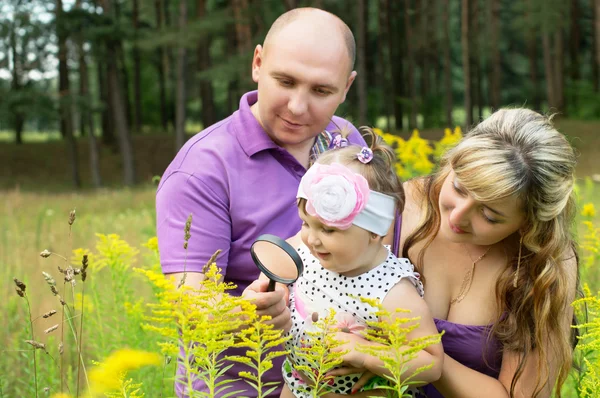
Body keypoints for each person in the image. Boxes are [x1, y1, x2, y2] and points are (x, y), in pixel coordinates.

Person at [155, 7, 365, 398]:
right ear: (257, 63)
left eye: (321, 91)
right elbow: (189, 307)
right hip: (243, 387)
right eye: (285, 81)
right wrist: (244, 313)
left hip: (340, 381)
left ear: (347, 87)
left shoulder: (348, 142)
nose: (298, 107)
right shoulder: (202, 169)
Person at [371, 108, 578, 398]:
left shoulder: (545, 265)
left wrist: (426, 359)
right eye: (458, 187)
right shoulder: (402, 208)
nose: (457, 216)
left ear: (528, 224)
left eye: (490, 215)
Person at [269, 132, 443, 397]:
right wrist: (268, 288)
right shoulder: (309, 251)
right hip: (296, 386)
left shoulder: (392, 292)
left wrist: (367, 354)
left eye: (328, 230)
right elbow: (276, 260)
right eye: (306, 223)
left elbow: (431, 364)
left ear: (374, 232)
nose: (311, 239)